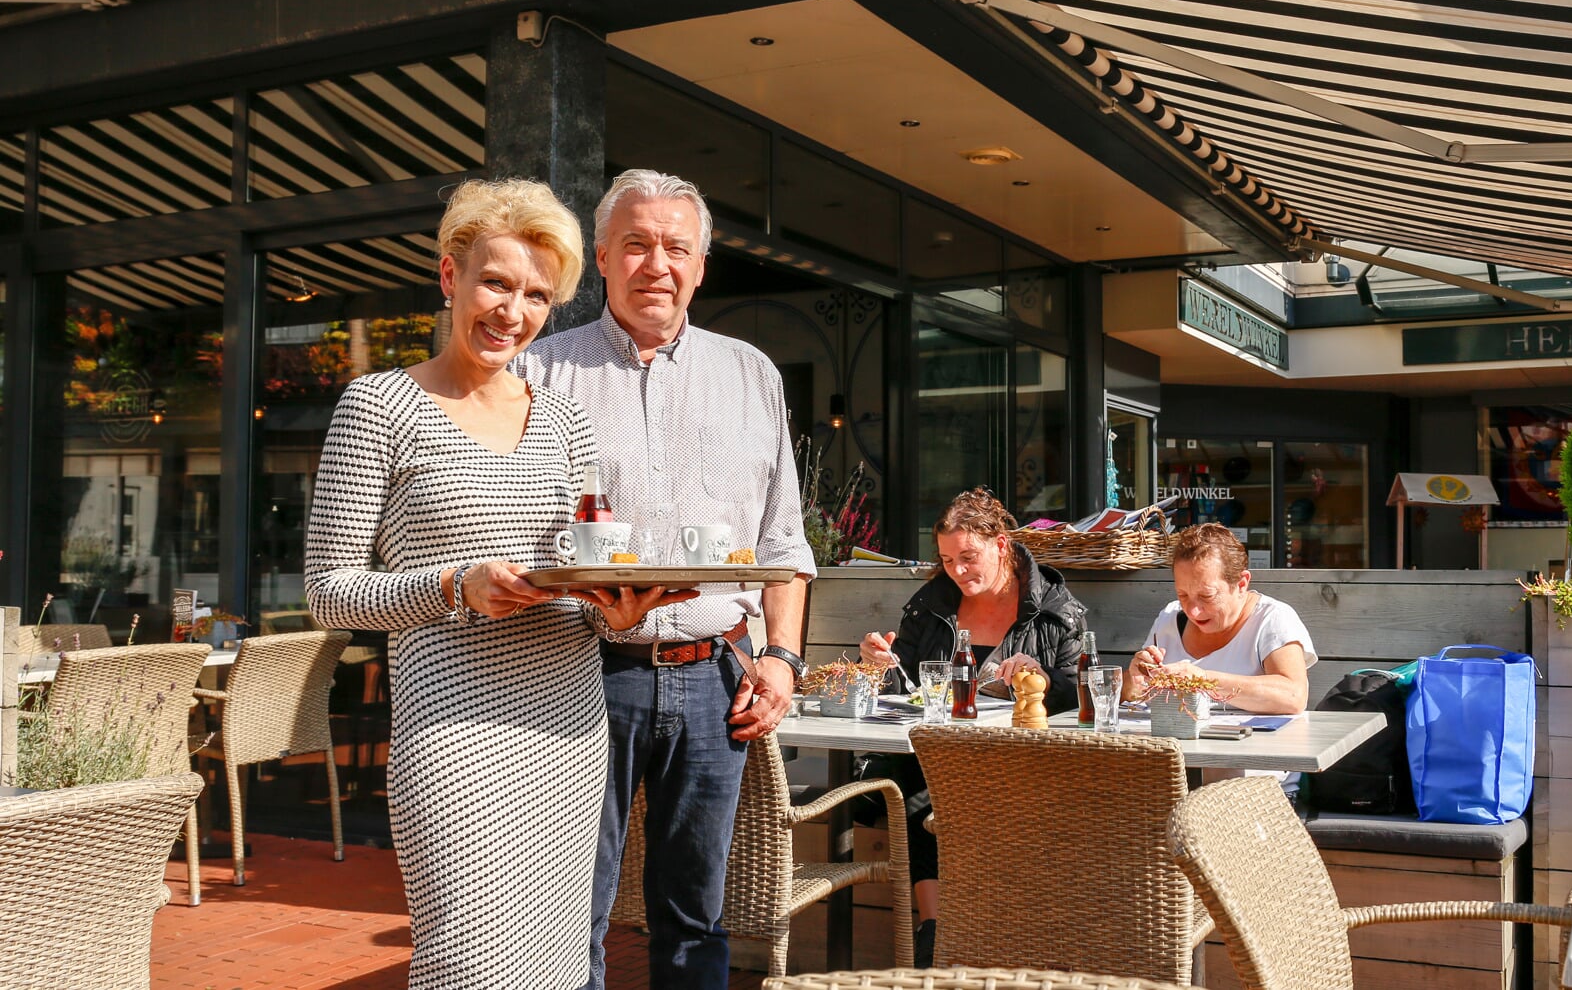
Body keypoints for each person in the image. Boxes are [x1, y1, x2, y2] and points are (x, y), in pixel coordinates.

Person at [305, 179, 692, 989]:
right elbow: (329, 591)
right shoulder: (378, 405)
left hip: (568, 730)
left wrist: (619, 610)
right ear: (450, 277)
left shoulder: (562, 419)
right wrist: (455, 586)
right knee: (468, 967)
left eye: (537, 296)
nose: (512, 312)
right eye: (496, 283)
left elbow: (583, 570)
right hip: (452, 733)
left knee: (554, 968)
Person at [515, 169, 815, 990]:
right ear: (604, 258)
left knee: (695, 918)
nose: (658, 263)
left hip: (716, 680)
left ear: (702, 264)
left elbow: (782, 541)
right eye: (638, 244)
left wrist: (783, 661)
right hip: (578, 673)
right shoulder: (538, 374)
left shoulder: (753, 374)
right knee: (572, 907)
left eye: (676, 246)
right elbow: (519, 537)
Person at [858, 487, 1087, 967]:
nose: (957, 571)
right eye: (946, 559)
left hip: (1023, 761)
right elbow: (902, 684)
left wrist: (1045, 680)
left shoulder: (1054, 608)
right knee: (916, 780)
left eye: (968, 557)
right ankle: (934, 933)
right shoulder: (931, 604)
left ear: (1001, 545)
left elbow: (1085, 690)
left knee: (926, 782)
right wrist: (877, 664)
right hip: (939, 756)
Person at [1124, 523, 1317, 783]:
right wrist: (1136, 678)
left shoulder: (1272, 619)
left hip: (1254, 789)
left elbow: (1293, 696)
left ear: (1241, 583)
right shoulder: (1170, 618)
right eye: (1183, 595)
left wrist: (1202, 679)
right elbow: (1132, 698)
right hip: (1171, 780)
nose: (1193, 611)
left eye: (1207, 596)